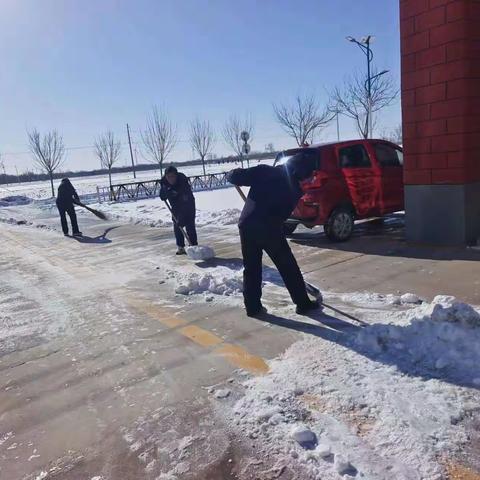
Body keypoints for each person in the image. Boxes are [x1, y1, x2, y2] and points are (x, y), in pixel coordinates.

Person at [227, 156, 320, 317]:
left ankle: (252, 307)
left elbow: (235, 176)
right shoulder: (294, 189)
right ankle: (302, 304)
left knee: (252, 267)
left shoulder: (264, 171)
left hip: (247, 225)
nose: (311, 178)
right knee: (288, 266)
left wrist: (231, 174)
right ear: (300, 171)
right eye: (310, 175)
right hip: (269, 228)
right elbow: (282, 215)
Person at [160, 166, 198, 255]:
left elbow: (186, 203)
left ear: (176, 176)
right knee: (177, 226)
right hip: (175, 206)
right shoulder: (164, 182)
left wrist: (182, 216)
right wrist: (163, 194)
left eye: (172, 176)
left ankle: (194, 246)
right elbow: (162, 195)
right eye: (168, 176)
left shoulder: (183, 182)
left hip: (188, 204)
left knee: (189, 225)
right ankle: (180, 247)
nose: (170, 179)